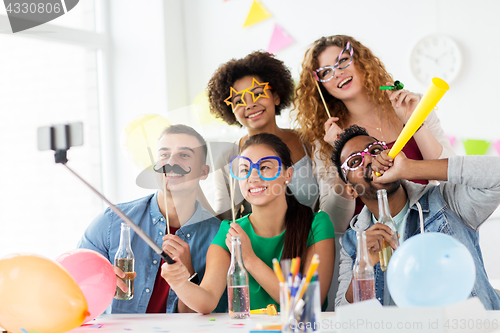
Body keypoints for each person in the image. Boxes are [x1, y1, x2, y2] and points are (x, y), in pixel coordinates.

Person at [294, 35, 455, 234]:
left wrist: (415, 123)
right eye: (326, 71)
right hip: (373, 241)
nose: (337, 73)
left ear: (361, 60)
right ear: (320, 85)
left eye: (343, 60)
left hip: (431, 224)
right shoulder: (325, 138)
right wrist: (340, 156)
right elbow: (333, 223)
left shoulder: (412, 104)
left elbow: (454, 176)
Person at [161, 133, 335, 313]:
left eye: (265, 167)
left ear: (287, 174)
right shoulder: (229, 231)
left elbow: (306, 305)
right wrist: (179, 283)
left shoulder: (317, 225)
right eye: (244, 170)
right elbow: (207, 301)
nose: (253, 177)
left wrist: (250, 259)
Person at [332, 125, 500, 310]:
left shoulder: (446, 201)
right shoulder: (353, 242)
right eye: (355, 161)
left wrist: (410, 168)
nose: (370, 159)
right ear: (350, 190)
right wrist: (363, 268)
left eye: (376, 150)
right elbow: (342, 311)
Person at [78, 124, 227, 313]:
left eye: (184, 155)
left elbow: (202, 318)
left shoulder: (219, 236)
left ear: (203, 172)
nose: (171, 162)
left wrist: (189, 275)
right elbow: (72, 283)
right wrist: (98, 282)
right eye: (164, 155)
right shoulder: (113, 221)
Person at [208, 51, 319, 220]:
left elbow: (330, 201)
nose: (250, 104)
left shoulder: (308, 141)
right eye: (238, 101)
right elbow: (223, 219)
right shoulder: (227, 158)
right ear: (231, 110)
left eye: (258, 93)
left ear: (275, 96)